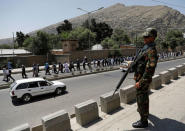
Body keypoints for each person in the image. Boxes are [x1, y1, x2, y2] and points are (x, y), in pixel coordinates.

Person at [132, 28, 158, 128]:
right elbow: (141, 61)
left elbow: (150, 69)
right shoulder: (146, 47)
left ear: (153, 37)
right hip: (139, 77)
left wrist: (141, 82)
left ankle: (143, 121)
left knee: (142, 99)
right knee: (142, 97)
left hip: (143, 79)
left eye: (147, 36)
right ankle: (144, 112)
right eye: (144, 36)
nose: (144, 38)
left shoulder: (151, 51)